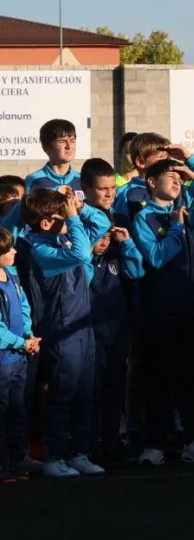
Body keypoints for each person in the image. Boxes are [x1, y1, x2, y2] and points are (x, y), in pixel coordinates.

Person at [129, 159, 194, 466]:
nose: (177, 181)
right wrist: (177, 228)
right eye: (170, 176)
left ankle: (192, 440)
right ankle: (155, 444)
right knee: (159, 379)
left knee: (187, 379)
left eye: (179, 178)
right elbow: (155, 258)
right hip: (160, 311)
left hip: (188, 309)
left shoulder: (183, 212)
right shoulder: (145, 217)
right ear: (151, 182)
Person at [16, 187, 103, 477]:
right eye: (61, 215)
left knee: (84, 394)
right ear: (45, 223)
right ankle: (53, 455)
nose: (68, 217)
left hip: (83, 325)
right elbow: (80, 254)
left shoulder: (64, 236)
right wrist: (74, 218)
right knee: (62, 395)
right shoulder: (40, 249)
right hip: (61, 331)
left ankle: (79, 452)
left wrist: (80, 208)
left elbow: (101, 225)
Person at [77, 159, 142, 469]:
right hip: (86, 316)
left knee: (116, 382)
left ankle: (112, 441)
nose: (109, 194)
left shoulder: (119, 219)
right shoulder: (77, 222)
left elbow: (136, 271)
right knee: (91, 385)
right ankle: (87, 445)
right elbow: (75, 270)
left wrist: (127, 246)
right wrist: (93, 252)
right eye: (102, 189)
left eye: (112, 188)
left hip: (117, 314)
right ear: (86, 189)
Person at [0, 226, 41, 484]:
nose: (14, 251)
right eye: (8, 248)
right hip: (4, 360)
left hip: (18, 358)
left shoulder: (11, 276)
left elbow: (23, 306)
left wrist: (28, 335)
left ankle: (17, 459)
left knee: (17, 410)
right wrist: (19, 343)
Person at [24, 119, 82, 193]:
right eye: (62, 141)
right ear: (46, 147)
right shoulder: (33, 180)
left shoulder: (82, 180)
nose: (69, 146)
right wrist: (53, 193)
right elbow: (24, 204)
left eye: (72, 141)